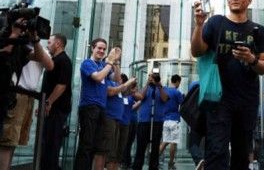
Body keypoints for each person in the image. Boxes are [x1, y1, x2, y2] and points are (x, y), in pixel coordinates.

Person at [191, 0, 264, 170]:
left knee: (242, 153)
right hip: (219, 98)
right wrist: (199, 25)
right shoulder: (216, 22)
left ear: (249, 0)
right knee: (217, 150)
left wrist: (251, 58)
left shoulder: (259, 30)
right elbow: (197, 51)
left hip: (247, 99)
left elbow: (263, 67)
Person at [0, 27, 53, 170]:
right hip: (16, 94)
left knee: (14, 140)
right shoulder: (19, 46)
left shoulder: (38, 48)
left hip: (29, 96)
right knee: (8, 140)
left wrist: (35, 40)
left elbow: (49, 65)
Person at [74, 38, 121, 170]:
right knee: (86, 144)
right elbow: (98, 77)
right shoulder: (87, 63)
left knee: (96, 145)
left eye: (104, 49)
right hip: (89, 107)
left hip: (101, 108)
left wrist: (115, 62)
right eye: (99, 48)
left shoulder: (103, 65)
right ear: (92, 48)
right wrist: (109, 62)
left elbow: (117, 79)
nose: (101, 51)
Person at [40, 33, 73, 170]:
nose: (47, 45)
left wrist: (48, 102)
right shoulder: (56, 59)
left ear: (58, 43)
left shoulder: (63, 60)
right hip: (51, 108)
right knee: (47, 144)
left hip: (57, 110)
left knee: (52, 146)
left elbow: (62, 85)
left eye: (49, 42)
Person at [131, 73, 168, 170]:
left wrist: (159, 86)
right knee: (141, 147)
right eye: (151, 77)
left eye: (155, 77)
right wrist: (147, 84)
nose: (153, 79)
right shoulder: (145, 88)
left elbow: (164, 99)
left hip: (157, 122)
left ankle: (153, 167)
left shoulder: (162, 89)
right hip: (144, 121)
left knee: (155, 147)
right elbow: (140, 97)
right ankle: (137, 166)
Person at [159, 74, 184, 170]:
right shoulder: (177, 92)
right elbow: (182, 103)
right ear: (177, 81)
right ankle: (171, 163)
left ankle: (154, 159)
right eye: (179, 82)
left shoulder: (164, 90)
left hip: (165, 120)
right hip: (174, 119)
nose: (179, 84)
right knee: (173, 142)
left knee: (165, 142)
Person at [186, 80, 205, 170]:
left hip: (196, 118)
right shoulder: (213, 84)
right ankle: (204, 162)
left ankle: (199, 160)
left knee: (193, 144)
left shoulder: (194, 84)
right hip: (209, 119)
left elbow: (188, 100)